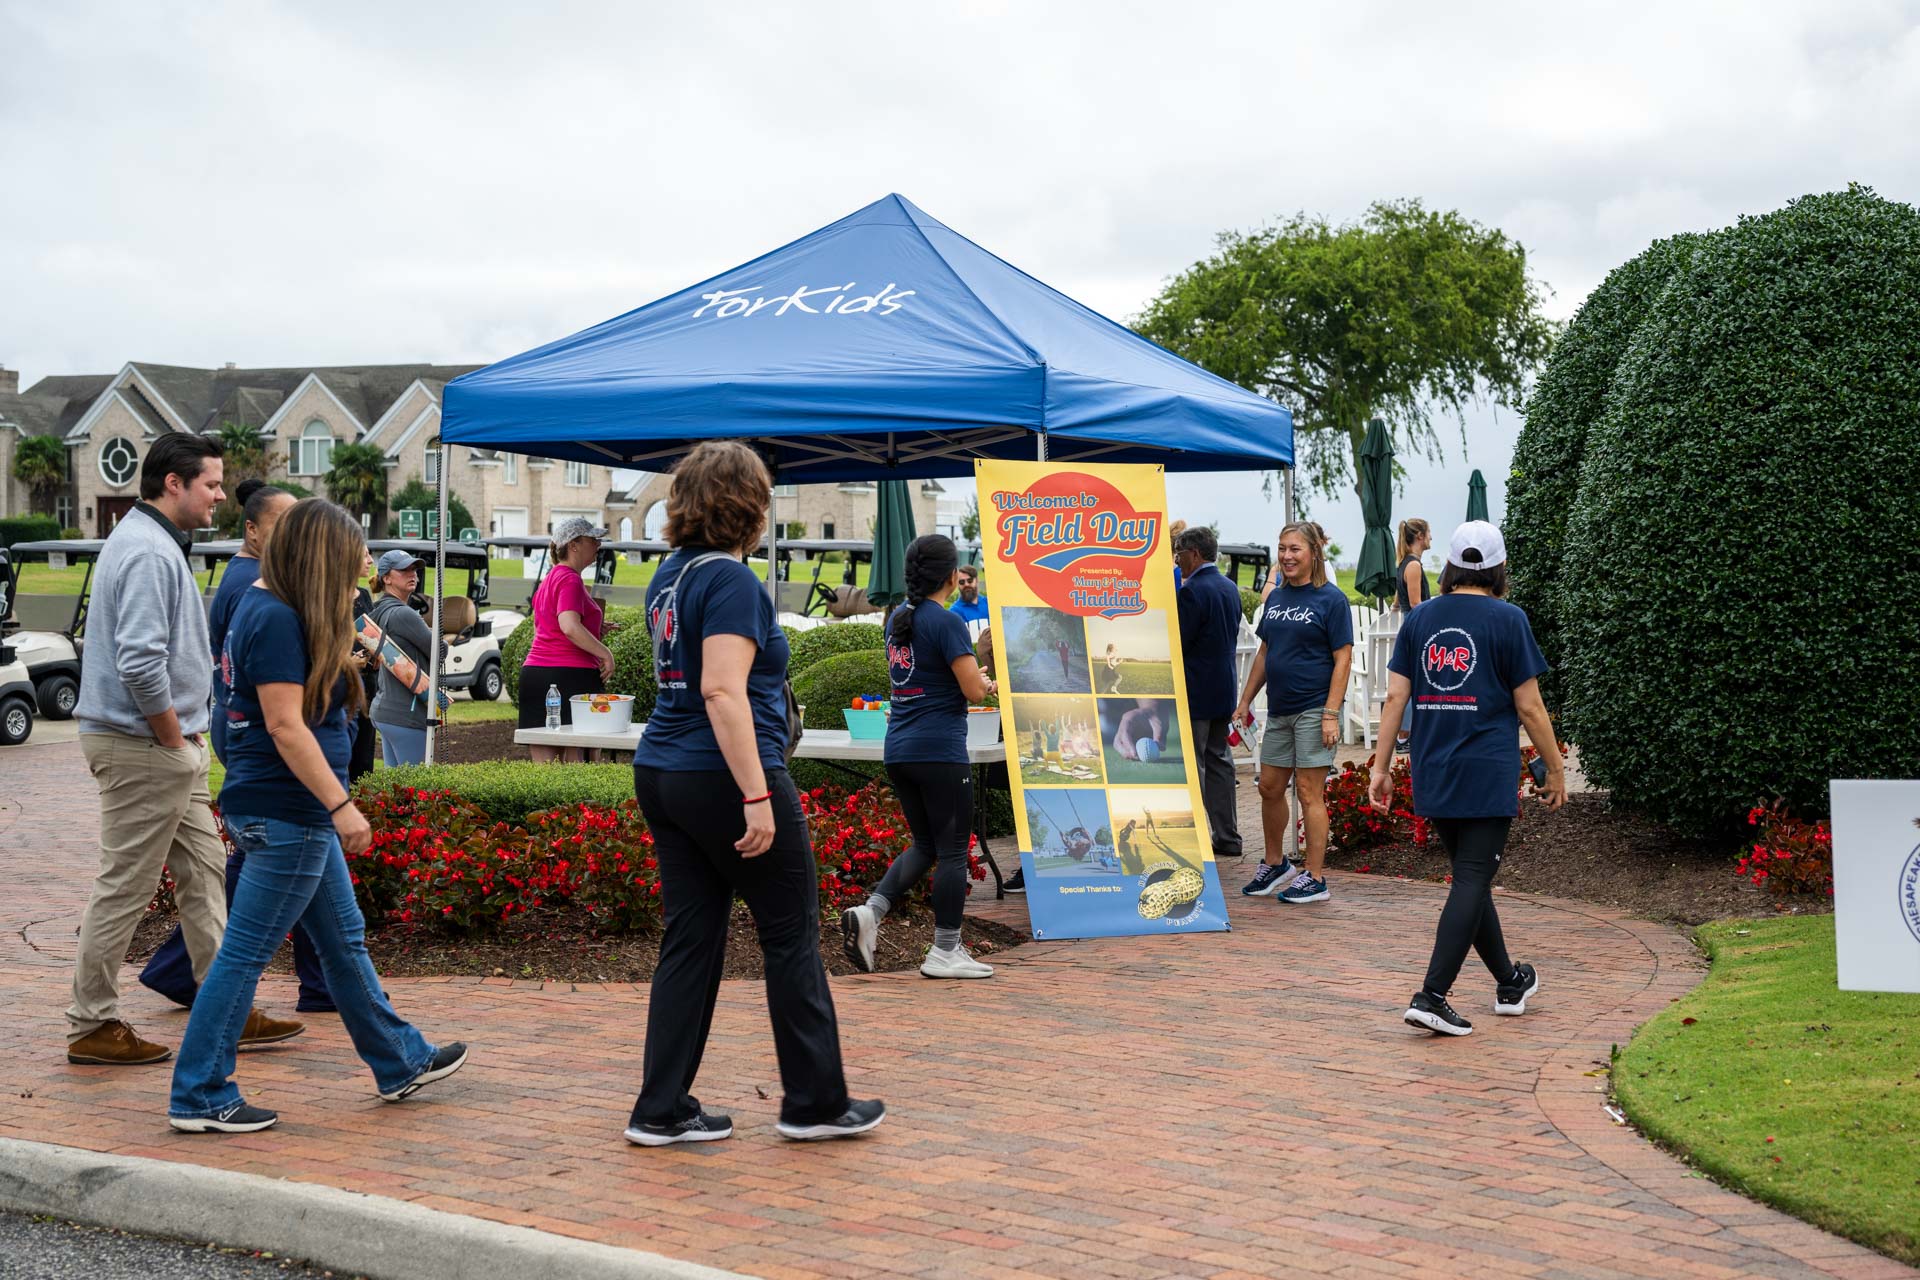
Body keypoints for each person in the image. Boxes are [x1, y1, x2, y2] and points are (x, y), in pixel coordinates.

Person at [167, 499, 467, 1132]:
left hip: (282, 804)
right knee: (244, 955)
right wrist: (340, 803)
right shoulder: (274, 615)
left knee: (341, 937)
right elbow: (280, 722)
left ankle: (399, 1059)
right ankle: (200, 1093)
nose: (357, 569)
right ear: (318, 555)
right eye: (348, 554)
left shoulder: (268, 606)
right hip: (292, 809)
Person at [627, 441, 882, 1147]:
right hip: (724, 773)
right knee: (789, 931)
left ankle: (661, 1106)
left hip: (665, 770)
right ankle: (815, 1102)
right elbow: (720, 688)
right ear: (746, 506)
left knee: (692, 937)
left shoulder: (668, 577)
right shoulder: (734, 582)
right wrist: (757, 795)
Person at [65, 435, 304, 1066]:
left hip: (159, 745)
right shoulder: (147, 552)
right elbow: (140, 662)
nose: (222, 496)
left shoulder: (153, 543)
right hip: (144, 745)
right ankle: (90, 1023)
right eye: (212, 484)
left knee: (205, 879)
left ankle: (226, 1003)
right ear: (173, 483)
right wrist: (174, 739)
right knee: (125, 886)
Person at [141, 479, 334, 1015]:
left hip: (253, 737)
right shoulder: (260, 585)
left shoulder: (257, 578)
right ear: (252, 532)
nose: (294, 535)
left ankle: (327, 987)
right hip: (263, 744)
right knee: (269, 865)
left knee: (300, 864)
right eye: (282, 525)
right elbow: (270, 694)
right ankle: (186, 978)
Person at [1370, 521, 1565, 1037]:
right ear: (1499, 568)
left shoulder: (1421, 619)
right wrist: (1558, 767)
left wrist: (1381, 765)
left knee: (1470, 880)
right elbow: (1530, 705)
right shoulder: (1509, 619)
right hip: (1485, 768)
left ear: (1451, 565)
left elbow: (1395, 698)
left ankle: (1510, 981)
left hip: (1434, 766)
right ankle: (1431, 996)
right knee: (1472, 879)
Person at [842, 534, 998, 980]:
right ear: (952, 576)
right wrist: (983, 678)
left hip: (901, 748)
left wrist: (972, 659)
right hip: (939, 750)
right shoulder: (945, 621)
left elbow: (928, 675)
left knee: (926, 845)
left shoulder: (899, 617)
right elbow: (971, 690)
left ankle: (871, 913)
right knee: (951, 851)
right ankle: (945, 951)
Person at [1234, 521, 1353, 905]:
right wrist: (1245, 699)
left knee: (1308, 790)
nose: (1286, 556)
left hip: (1314, 707)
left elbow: (1343, 658)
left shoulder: (1331, 600)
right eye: (1282, 548)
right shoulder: (1277, 599)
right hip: (1280, 709)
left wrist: (1331, 713)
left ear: (1314, 552)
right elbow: (1266, 653)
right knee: (1269, 786)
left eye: (1295, 549)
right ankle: (1275, 863)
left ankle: (1315, 877)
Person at [1173, 526, 1244, 859]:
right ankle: (1228, 835)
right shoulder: (1229, 587)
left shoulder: (1191, 592)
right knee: (1220, 761)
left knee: (1194, 763)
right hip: (1224, 688)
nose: (1177, 560)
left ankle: (1198, 836)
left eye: (1179, 553)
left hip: (1195, 690)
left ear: (1195, 554)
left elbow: (1179, 641)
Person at [520, 517, 616, 763]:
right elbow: (569, 627)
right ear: (574, 545)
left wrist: (595, 628)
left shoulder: (551, 577)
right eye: (593, 540)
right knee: (581, 765)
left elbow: (553, 626)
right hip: (571, 676)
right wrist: (605, 653)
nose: (598, 545)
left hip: (536, 675)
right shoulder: (570, 579)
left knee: (546, 774)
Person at [365, 549, 442, 767]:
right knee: (417, 791)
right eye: (404, 570)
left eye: (414, 569)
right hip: (407, 714)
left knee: (397, 792)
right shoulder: (404, 614)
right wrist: (439, 639)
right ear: (386, 578)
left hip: (385, 710)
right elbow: (439, 651)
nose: (413, 574)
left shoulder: (380, 610)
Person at [1392, 518, 1433, 756]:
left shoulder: (1404, 563)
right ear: (1419, 535)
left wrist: (1395, 607)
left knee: (1411, 681)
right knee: (1414, 682)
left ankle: (1405, 734)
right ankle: (1405, 736)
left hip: (1409, 625)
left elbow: (1401, 599)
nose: (1431, 538)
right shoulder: (1414, 566)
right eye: (1429, 533)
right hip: (1417, 628)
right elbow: (1417, 604)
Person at [948, 564, 990, 641]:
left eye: (970, 581)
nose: (966, 584)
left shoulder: (989, 603)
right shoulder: (954, 612)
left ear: (977, 580)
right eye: (961, 582)